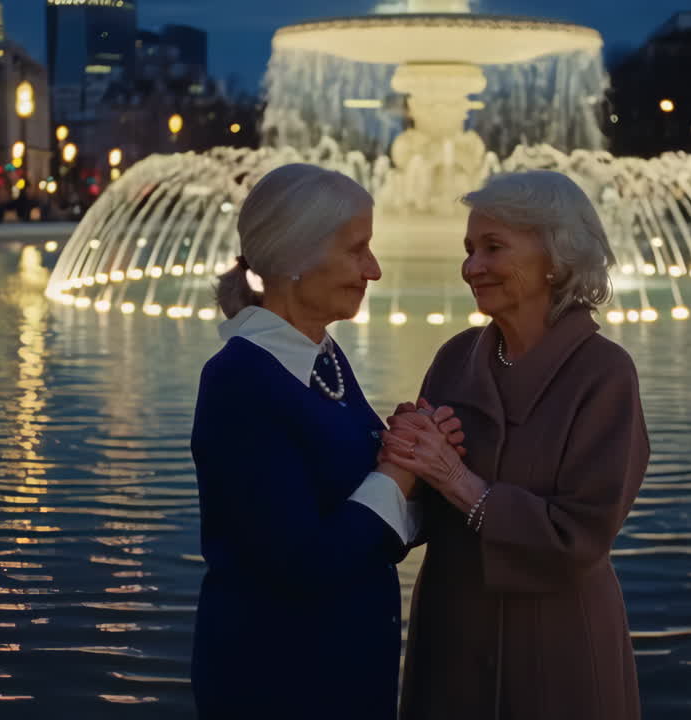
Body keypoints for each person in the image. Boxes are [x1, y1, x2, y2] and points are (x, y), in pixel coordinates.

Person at [190, 163, 459, 719]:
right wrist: (398, 472)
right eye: (357, 249)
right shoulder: (240, 381)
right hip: (279, 680)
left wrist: (426, 456)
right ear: (295, 256)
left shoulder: (323, 359)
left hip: (341, 673)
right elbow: (302, 563)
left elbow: (366, 526)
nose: (374, 269)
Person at [383, 170, 651, 720]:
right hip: (452, 644)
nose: (470, 267)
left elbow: (580, 536)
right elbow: (419, 515)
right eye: (469, 249)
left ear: (555, 257)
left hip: (555, 650)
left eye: (493, 247)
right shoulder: (454, 358)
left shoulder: (604, 374)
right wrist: (404, 458)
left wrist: (459, 482)